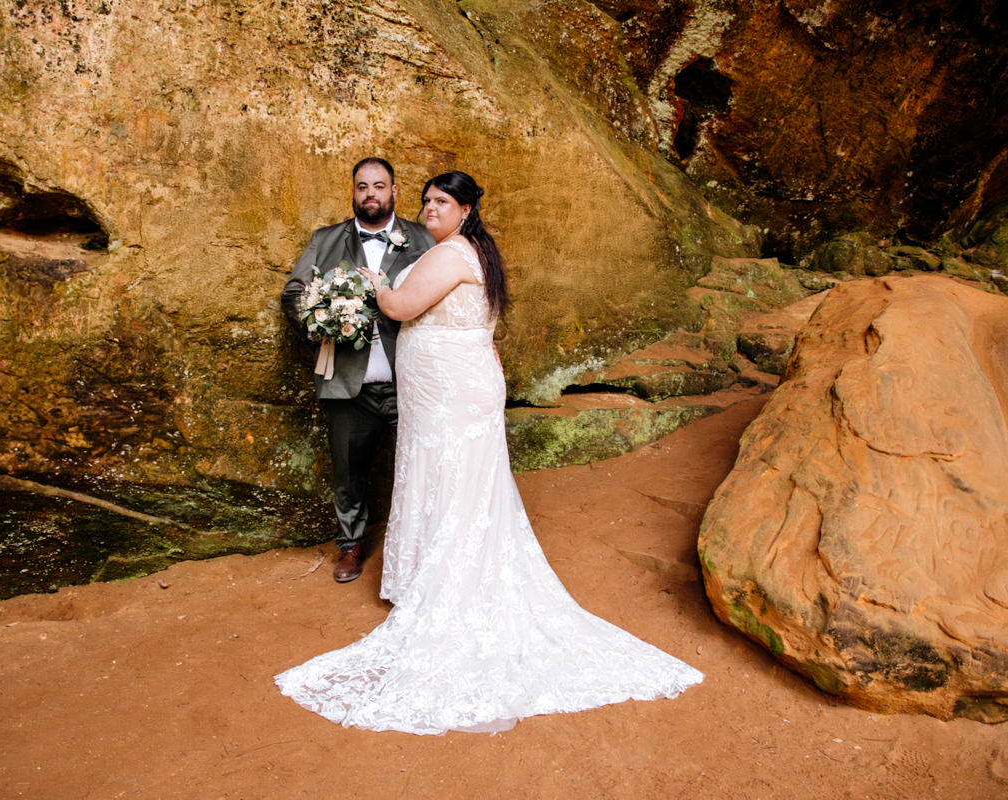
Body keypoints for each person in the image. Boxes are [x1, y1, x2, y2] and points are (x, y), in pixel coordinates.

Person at [275, 171, 703, 734]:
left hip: (450, 392)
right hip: (446, 388)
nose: (430, 209)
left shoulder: (452, 254)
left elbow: (400, 307)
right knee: (450, 479)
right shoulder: (468, 250)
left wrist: (367, 285)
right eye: (427, 200)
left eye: (441, 202)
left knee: (452, 480)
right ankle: (430, 572)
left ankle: (449, 583)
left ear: (467, 208)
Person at [280, 158, 434, 582]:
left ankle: (422, 549)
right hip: (348, 383)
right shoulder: (325, 240)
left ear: (394, 191)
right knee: (349, 472)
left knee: (422, 469)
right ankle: (350, 546)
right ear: (352, 191)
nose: (371, 194)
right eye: (362, 186)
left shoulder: (423, 239)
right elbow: (294, 292)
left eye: (379, 186)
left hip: (412, 383)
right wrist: (316, 326)